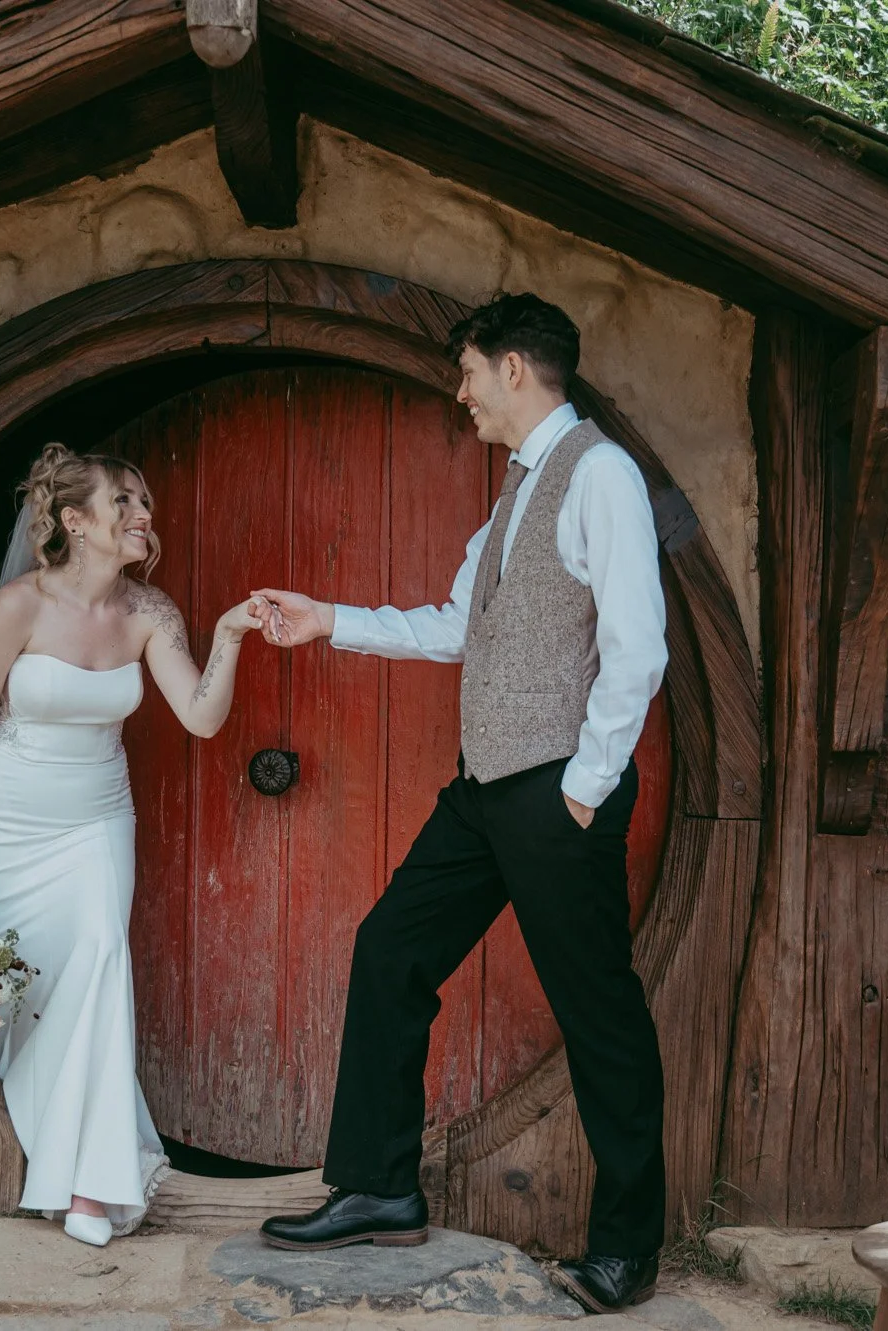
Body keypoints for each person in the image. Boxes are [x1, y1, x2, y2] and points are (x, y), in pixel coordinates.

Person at [250, 293, 669, 1314]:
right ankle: (379, 1184)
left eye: (469, 371)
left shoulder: (599, 474)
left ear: (514, 368)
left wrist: (582, 787)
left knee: (597, 1011)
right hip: (486, 786)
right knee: (391, 947)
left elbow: (638, 645)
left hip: (555, 788)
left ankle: (625, 1248)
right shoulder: (516, 490)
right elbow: (454, 626)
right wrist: (327, 620)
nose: (461, 392)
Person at [0, 442, 265, 1248]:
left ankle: (89, 1185)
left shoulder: (150, 613)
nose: (143, 516)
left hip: (97, 822)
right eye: (126, 503)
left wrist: (227, 634)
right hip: (6, 822)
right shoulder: (18, 607)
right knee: (17, 996)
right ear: (75, 521)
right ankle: (9, 1156)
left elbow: (202, 716)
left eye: (143, 503)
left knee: (102, 962)